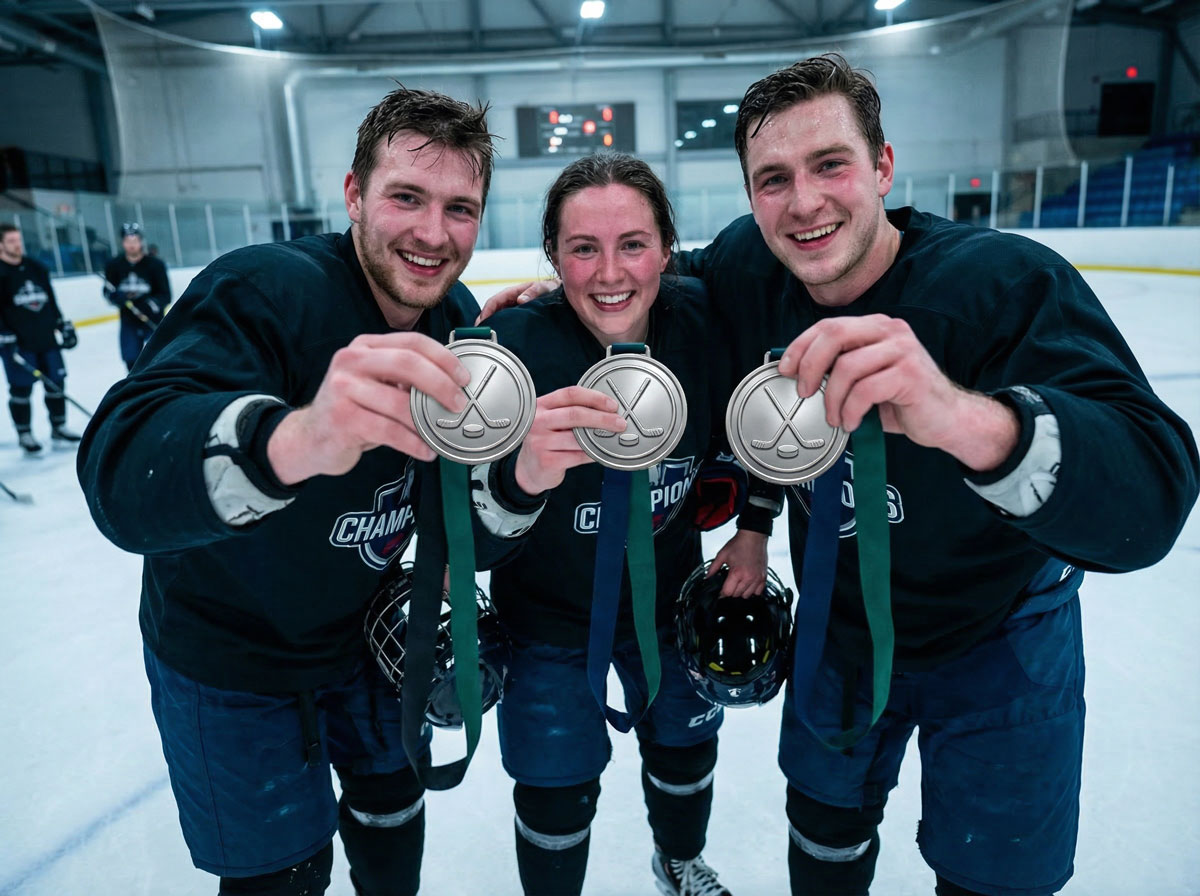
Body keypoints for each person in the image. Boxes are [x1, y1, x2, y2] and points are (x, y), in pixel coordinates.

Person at [481, 54, 1199, 896]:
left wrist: (968, 418)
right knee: (823, 842)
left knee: (998, 876)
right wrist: (564, 297)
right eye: (773, 179)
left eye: (831, 164)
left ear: (884, 166)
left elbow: (1151, 493)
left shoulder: (1003, 283)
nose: (806, 203)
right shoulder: (749, 271)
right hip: (844, 628)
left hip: (1001, 635)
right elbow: (646, 281)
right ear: (751, 198)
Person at [77, 87, 496, 896]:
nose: (432, 233)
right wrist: (294, 439)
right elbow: (119, 466)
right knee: (285, 878)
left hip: (365, 638)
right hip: (230, 657)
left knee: (392, 824)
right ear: (353, 195)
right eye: (406, 197)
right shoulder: (265, 289)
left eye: (460, 208)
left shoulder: (456, 317)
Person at [470, 152, 776, 896]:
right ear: (551, 256)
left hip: (669, 604)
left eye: (633, 244)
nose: (610, 273)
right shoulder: (513, 350)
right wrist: (519, 477)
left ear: (668, 250)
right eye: (582, 249)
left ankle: (678, 861)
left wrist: (756, 524)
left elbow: (769, 411)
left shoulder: (708, 323)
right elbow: (471, 537)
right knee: (554, 786)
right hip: (543, 620)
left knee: (684, 748)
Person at [0, 222, 80, 454]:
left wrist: (61, 323)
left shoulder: (37, 267)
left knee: (56, 383)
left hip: (46, 338)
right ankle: (25, 433)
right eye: (12, 241)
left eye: (19, 240)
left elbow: (50, 300)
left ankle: (58, 426)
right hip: (17, 343)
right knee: (21, 389)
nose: (18, 245)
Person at [104, 221, 172, 371]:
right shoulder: (114, 265)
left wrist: (150, 304)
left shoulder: (155, 265)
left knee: (159, 359)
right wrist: (115, 297)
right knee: (132, 361)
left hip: (152, 320)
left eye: (135, 241)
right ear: (122, 242)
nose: (132, 245)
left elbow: (166, 295)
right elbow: (107, 290)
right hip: (129, 320)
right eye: (128, 241)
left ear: (141, 241)